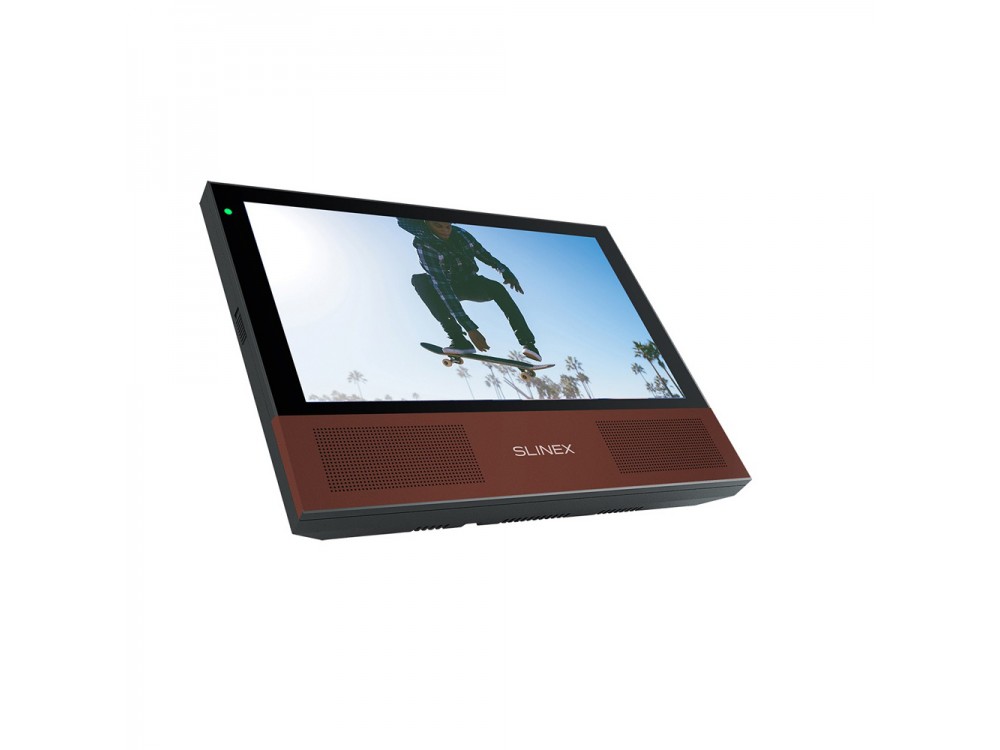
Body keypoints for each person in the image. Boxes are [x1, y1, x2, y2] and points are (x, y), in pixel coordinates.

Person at [397, 218, 541, 361]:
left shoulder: (461, 234)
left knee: (497, 288)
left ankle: (529, 344)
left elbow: (484, 255)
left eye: (448, 226)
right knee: (420, 281)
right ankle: (458, 339)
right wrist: (470, 328)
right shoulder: (424, 244)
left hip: (471, 283)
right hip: (447, 286)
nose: (445, 231)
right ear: (427, 224)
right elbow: (442, 286)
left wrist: (505, 271)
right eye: (438, 226)